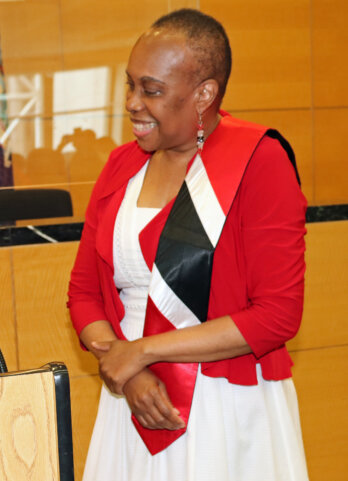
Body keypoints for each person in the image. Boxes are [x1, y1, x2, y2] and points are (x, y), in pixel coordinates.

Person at [67, 9, 309, 481]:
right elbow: (83, 294)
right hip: (134, 398)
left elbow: (277, 314)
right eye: (130, 85)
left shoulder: (258, 161)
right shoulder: (120, 167)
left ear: (204, 94)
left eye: (152, 90)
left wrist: (145, 352)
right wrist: (129, 366)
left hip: (224, 404)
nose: (133, 103)